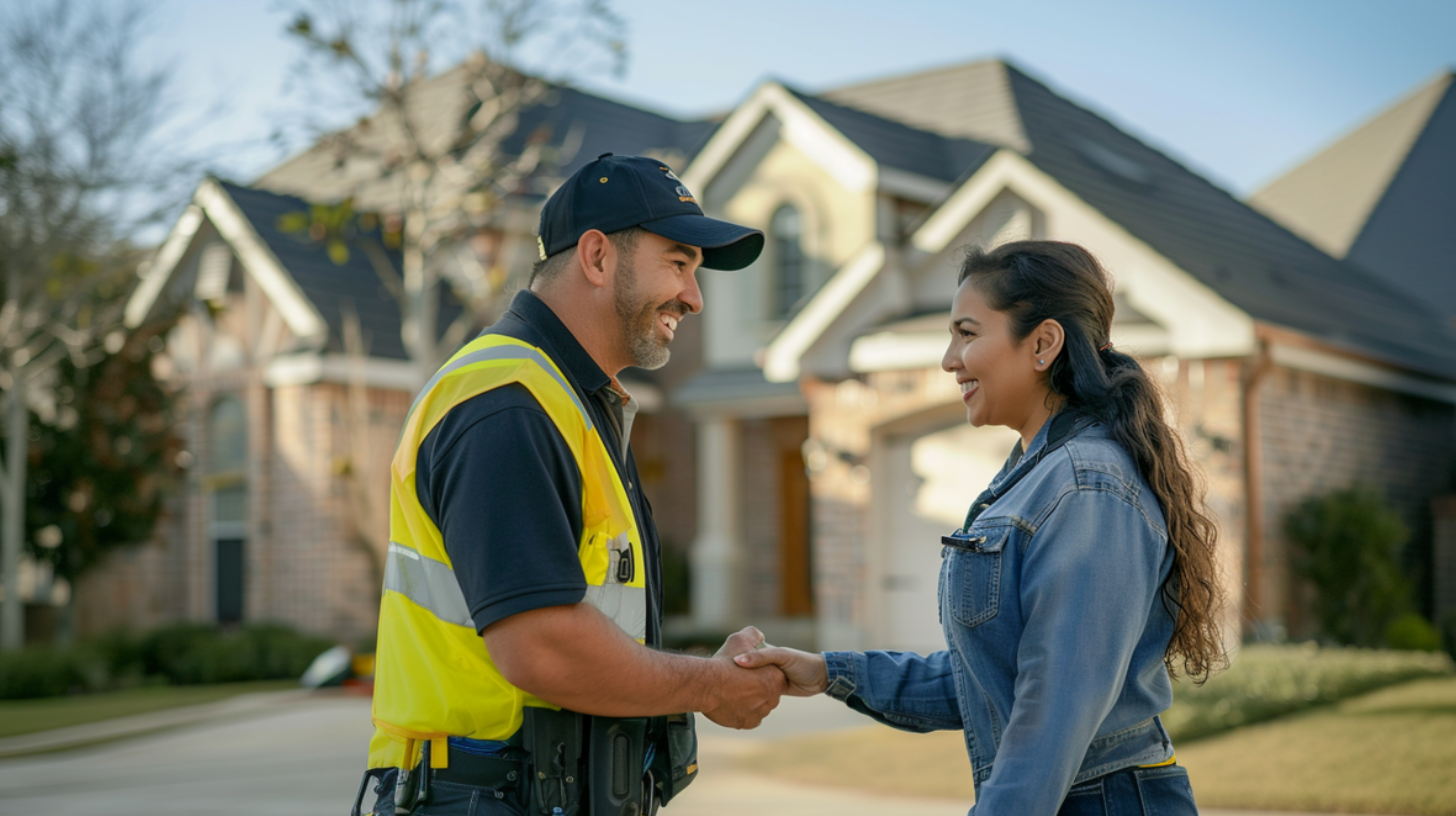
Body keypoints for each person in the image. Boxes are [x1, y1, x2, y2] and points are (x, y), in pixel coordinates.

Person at [356, 154, 785, 816]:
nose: (694, 298)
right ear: (595, 257)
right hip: (479, 798)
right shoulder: (506, 403)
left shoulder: (566, 401)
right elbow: (542, 648)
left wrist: (701, 674)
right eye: (678, 264)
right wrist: (707, 685)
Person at [736, 240, 1226, 815]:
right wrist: (827, 672)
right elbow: (990, 679)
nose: (948, 359)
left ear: (1042, 343)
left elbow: (1054, 707)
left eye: (967, 334)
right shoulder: (1037, 473)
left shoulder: (1086, 486)